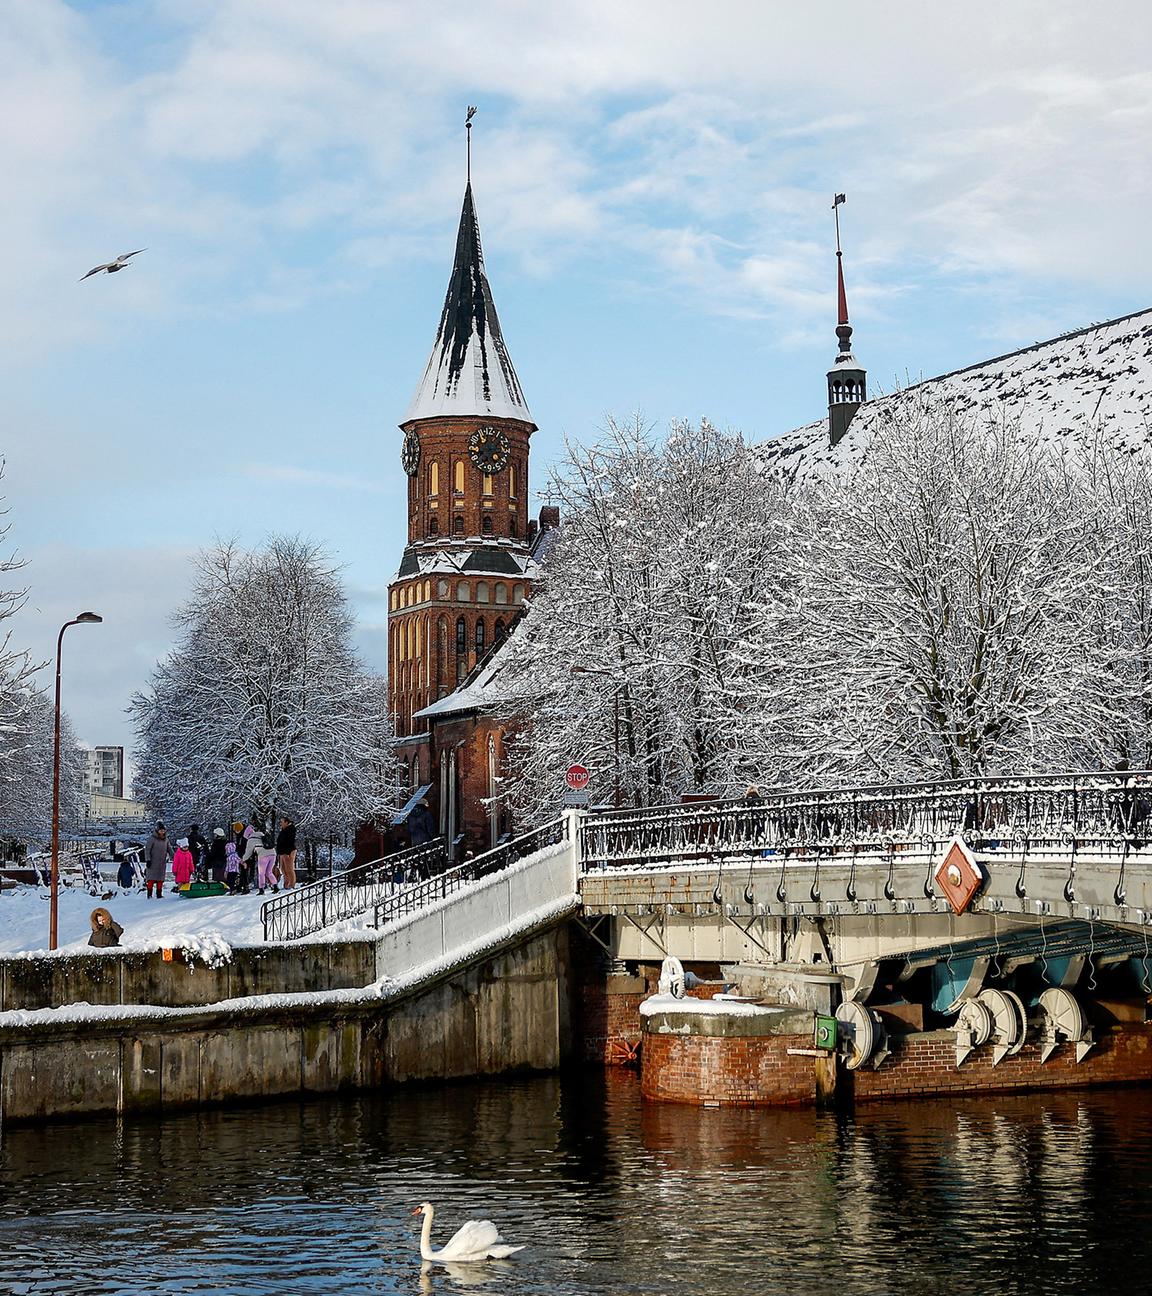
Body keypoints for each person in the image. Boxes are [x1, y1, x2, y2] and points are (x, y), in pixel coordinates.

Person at [242, 828, 278, 895]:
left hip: (263, 856)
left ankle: (261, 889)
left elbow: (248, 853)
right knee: (269, 872)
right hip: (273, 853)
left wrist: (243, 859)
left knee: (261, 873)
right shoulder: (262, 834)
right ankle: (276, 887)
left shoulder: (251, 840)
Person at [142, 822, 170, 898]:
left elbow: (169, 849)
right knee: (151, 879)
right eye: (161, 830)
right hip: (152, 862)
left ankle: (159, 894)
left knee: (160, 879)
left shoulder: (166, 840)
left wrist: (175, 857)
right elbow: (147, 850)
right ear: (157, 830)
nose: (162, 832)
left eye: (163, 830)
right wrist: (148, 860)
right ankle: (149, 894)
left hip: (162, 863)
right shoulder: (152, 839)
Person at [276, 815, 297, 889]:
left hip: (288, 851)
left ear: (286, 822)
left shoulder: (290, 830)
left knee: (289, 869)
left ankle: (292, 884)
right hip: (282, 852)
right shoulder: (284, 830)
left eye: (282, 822)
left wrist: (288, 853)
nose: (280, 823)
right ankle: (286, 884)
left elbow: (290, 841)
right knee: (283, 869)